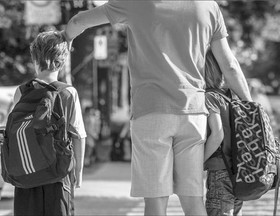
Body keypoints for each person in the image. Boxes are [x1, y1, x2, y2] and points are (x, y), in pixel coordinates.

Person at [63, 1, 252, 215]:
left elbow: (79, 21)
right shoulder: (208, 6)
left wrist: (65, 39)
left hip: (151, 113)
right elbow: (230, 65)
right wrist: (250, 106)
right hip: (193, 113)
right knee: (193, 202)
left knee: (155, 204)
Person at [12, 31, 86, 216]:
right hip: (58, 174)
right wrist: (79, 169)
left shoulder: (21, 92)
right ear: (61, 62)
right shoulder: (68, 93)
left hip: (26, 172)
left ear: (34, 60)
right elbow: (78, 135)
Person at [204, 49, 243, 216]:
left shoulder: (210, 97)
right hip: (238, 171)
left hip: (219, 169)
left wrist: (199, 161)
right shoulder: (231, 97)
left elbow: (217, 134)